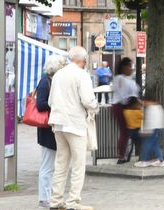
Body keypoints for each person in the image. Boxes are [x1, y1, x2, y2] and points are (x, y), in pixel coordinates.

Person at [48, 46, 99, 210]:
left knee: (61, 163)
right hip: (75, 124)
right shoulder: (81, 75)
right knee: (78, 164)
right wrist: (95, 107)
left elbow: (50, 101)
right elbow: (88, 100)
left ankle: (55, 201)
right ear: (83, 61)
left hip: (58, 123)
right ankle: (73, 202)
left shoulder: (58, 75)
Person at [36, 55, 66, 208]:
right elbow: (40, 104)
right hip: (47, 129)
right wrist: (55, 103)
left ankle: (50, 196)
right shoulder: (45, 82)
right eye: (62, 64)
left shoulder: (53, 81)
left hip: (53, 127)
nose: (64, 66)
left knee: (53, 165)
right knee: (47, 165)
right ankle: (43, 197)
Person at [112, 57, 139, 164]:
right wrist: (131, 101)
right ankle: (122, 155)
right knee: (125, 131)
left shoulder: (128, 79)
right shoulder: (120, 79)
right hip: (121, 106)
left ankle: (126, 153)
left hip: (129, 106)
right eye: (130, 66)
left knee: (129, 131)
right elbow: (123, 96)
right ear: (124, 67)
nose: (131, 69)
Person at [134, 95, 164, 167]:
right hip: (158, 128)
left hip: (153, 129)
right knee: (154, 145)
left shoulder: (151, 108)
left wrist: (146, 130)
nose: (143, 104)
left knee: (146, 145)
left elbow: (150, 121)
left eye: (143, 102)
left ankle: (144, 161)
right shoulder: (158, 106)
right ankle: (160, 160)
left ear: (147, 101)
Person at [123, 96, 143, 162]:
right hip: (137, 131)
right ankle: (142, 157)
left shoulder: (126, 111)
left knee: (130, 147)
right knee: (140, 145)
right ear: (134, 104)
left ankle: (127, 159)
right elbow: (143, 117)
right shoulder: (138, 112)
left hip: (129, 131)